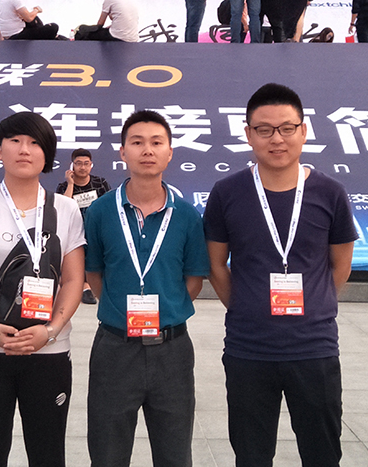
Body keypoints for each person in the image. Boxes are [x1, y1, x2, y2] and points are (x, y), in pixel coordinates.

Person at [203, 83, 357, 467]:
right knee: (251, 455)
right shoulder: (227, 193)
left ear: (304, 131)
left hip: (315, 348)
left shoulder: (330, 193)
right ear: (248, 134)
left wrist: (317, 305)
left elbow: (341, 264)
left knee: (322, 454)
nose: (277, 139)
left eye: (287, 128)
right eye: (265, 129)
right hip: (248, 349)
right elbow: (216, 265)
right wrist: (245, 307)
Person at [0, 111, 86, 467]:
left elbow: (74, 279)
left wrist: (50, 331)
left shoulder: (66, 209)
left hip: (48, 350)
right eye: (15, 141)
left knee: (48, 453)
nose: (24, 150)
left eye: (35, 142)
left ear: (47, 154)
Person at [84, 109, 210, 467]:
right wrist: (118, 307)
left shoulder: (186, 215)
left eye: (157, 143)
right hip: (115, 348)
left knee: (174, 454)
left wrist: (167, 308)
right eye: (137, 142)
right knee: (107, 455)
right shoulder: (101, 211)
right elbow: (94, 274)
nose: (147, 150)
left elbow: (193, 280)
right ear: (123, 152)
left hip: (172, 350)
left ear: (170, 152)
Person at [56, 148, 110, 306]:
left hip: (96, 228)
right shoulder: (63, 186)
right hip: (73, 230)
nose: (83, 167)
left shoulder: (100, 183)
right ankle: (84, 286)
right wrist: (70, 183)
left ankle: (88, 285)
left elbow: (108, 206)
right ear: (72, 165)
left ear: (91, 165)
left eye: (86, 164)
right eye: (78, 163)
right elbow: (63, 208)